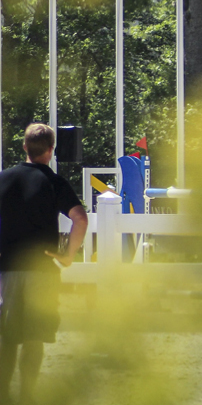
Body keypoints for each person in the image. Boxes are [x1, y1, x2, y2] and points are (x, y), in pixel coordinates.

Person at [0, 124, 88, 404]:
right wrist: (69, 255)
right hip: (42, 269)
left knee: (7, 336)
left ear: (24, 147)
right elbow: (80, 219)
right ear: (51, 151)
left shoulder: (3, 179)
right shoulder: (54, 183)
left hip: (7, 270)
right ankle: (27, 395)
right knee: (34, 336)